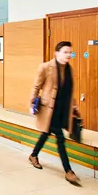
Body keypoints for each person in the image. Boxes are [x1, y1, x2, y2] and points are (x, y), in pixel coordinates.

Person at [28, 41, 81, 185]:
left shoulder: (69, 69)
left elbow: (69, 91)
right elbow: (36, 86)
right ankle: (68, 171)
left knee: (46, 133)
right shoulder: (46, 67)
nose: (68, 55)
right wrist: (32, 103)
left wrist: (75, 107)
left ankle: (33, 155)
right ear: (56, 53)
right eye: (65, 52)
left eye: (70, 52)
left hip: (62, 109)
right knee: (60, 139)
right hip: (48, 109)